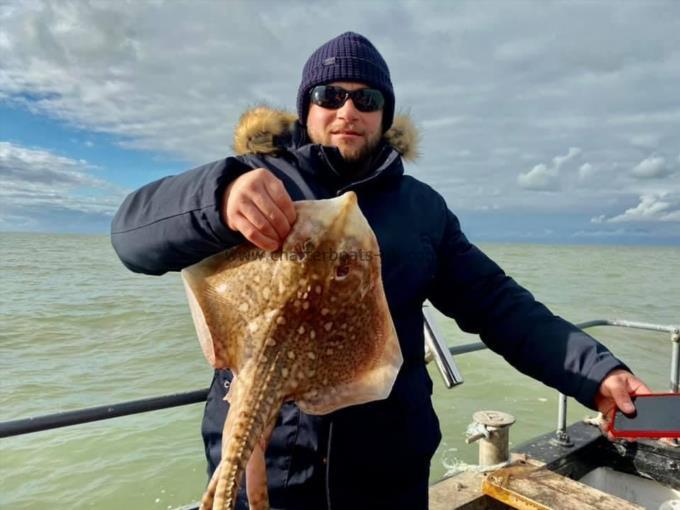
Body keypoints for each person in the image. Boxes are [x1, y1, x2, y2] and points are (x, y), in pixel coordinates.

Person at [111, 32, 650, 510]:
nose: (347, 109)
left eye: (365, 99)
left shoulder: (421, 209)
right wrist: (219, 197)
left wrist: (595, 373)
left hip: (386, 471)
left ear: (384, 116)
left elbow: (496, 303)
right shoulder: (256, 177)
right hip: (272, 460)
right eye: (329, 96)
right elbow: (132, 237)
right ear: (307, 108)